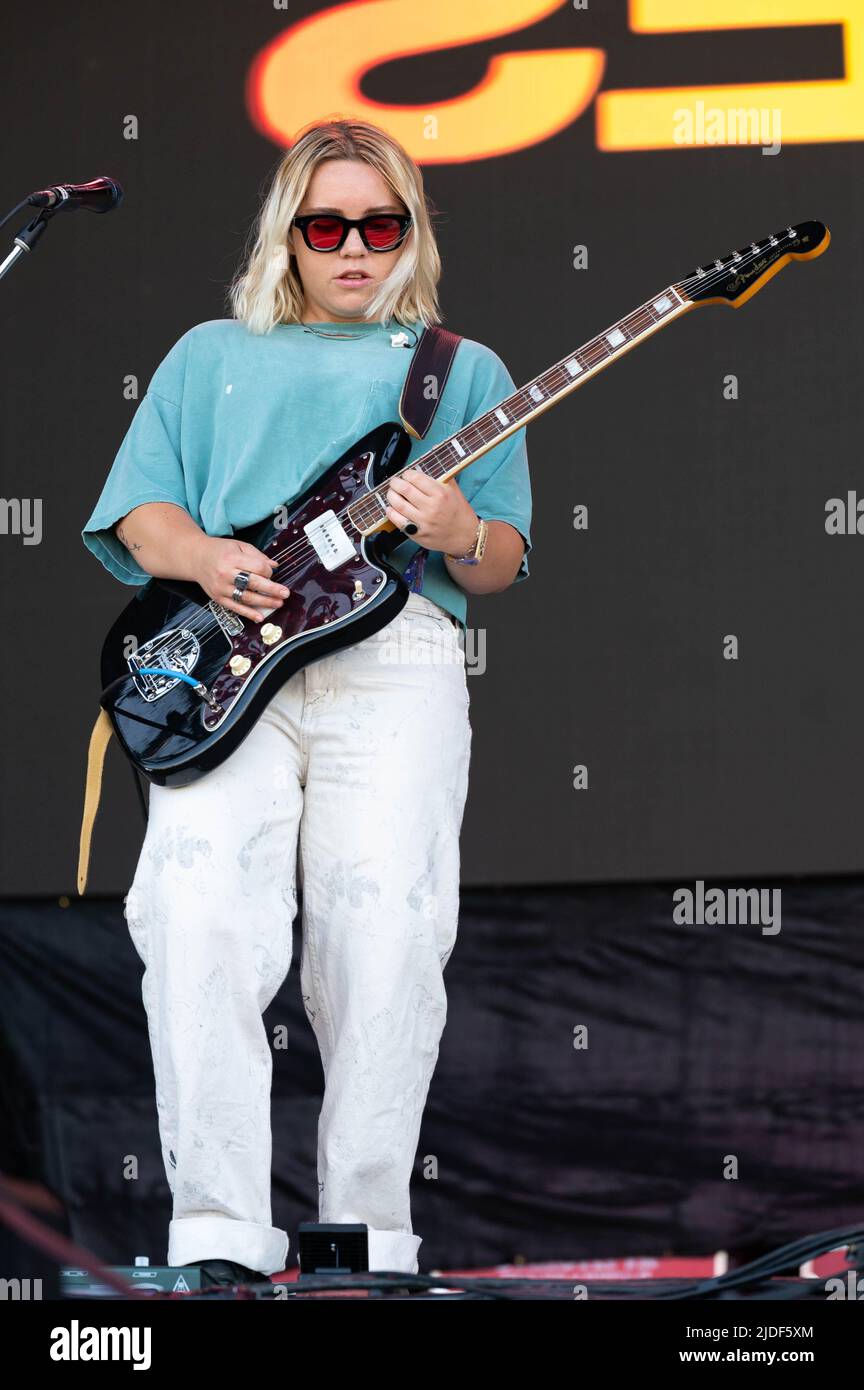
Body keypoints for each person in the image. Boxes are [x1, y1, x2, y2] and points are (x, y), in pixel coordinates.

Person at [81, 117, 533, 1285]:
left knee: (387, 933)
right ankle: (220, 1236)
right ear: (288, 231)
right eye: (325, 223)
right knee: (200, 923)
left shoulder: (460, 371)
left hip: (398, 663)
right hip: (230, 656)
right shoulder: (207, 353)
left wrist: (459, 528)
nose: (352, 247)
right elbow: (142, 514)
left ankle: (366, 1241)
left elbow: (500, 560)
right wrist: (206, 560)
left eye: (379, 225)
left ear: (410, 233)